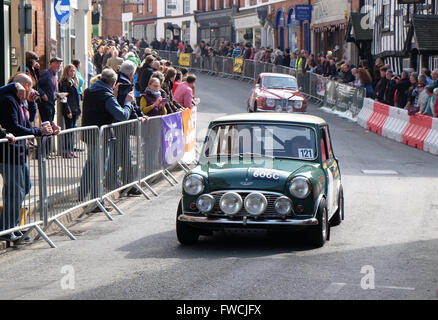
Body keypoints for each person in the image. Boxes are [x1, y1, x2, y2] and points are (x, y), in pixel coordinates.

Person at [0, 73, 58, 242]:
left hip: (19, 153)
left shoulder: (20, 101)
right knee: (15, 191)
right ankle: (7, 228)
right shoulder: (8, 100)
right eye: (28, 85)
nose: (31, 89)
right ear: (18, 86)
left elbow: (28, 122)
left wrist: (32, 104)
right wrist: (39, 132)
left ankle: (14, 225)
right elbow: (15, 128)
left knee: (24, 186)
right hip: (9, 154)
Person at [79, 68, 137, 202]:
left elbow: (100, 108)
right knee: (100, 168)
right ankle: (97, 200)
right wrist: (128, 102)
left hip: (89, 133)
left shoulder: (89, 91)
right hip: (101, 135)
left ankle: (82, 193)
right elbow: (122, 116)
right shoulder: (106, 96)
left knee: (91, 164)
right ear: (113, 82)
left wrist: (114, 96)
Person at [58, 64, 81, 158]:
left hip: (75, 109)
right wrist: (68, 111)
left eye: (74, 70)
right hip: (69, 109)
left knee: (71, 131)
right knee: (68, 131)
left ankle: (70, 150)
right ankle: (66, 151)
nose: (72, 72)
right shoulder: (64, 82)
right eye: (71, 71)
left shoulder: (73, 81)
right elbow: (63, 98)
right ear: (66, 72)